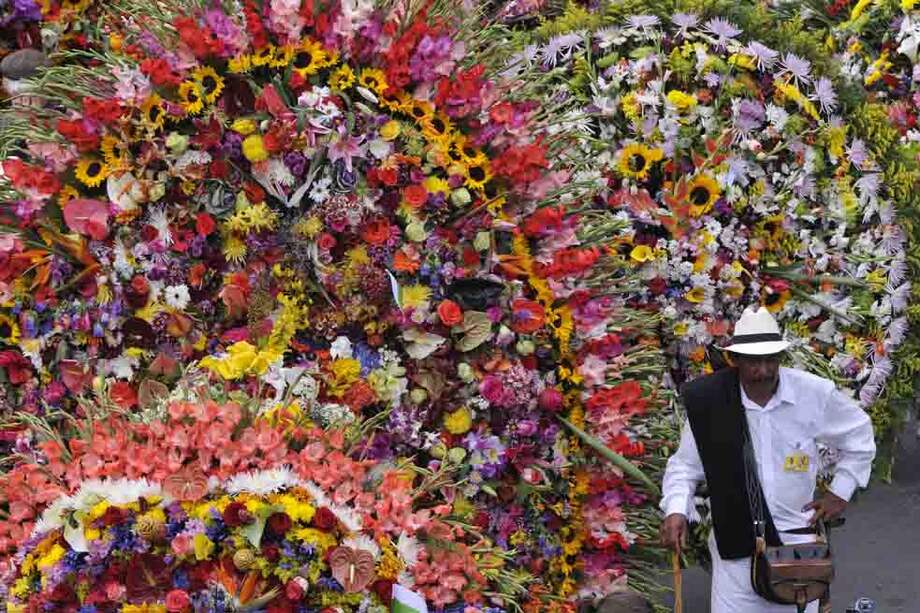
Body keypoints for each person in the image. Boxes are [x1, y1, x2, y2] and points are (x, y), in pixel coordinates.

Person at [659, 306, 876, 612]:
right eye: (753, 362)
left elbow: (860, 436)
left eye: (770, 359)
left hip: (797, 548)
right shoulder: (711, 402)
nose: (763, 370)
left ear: (780, 358)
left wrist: (840, 491)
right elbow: (684, 467)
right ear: (735, 361)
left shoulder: (812, 393)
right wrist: (676, 509)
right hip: (735, 544)